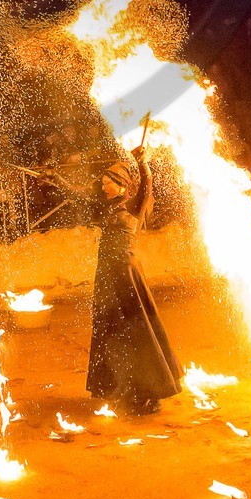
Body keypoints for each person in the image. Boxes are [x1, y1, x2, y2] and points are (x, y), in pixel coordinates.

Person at [86, 151, 181, 415]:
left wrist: (142, 162)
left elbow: (146, 185)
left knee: (138, 334)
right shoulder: (107, 205)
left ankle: (149, 392)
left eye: (108, 181)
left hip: (126, 276)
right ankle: (119, 388)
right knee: (113, 334)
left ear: (122, 185)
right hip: (106, 275)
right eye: (102, 181)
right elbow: (78, 193)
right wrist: (56, 177)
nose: (103, 185)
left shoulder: (134, 206)